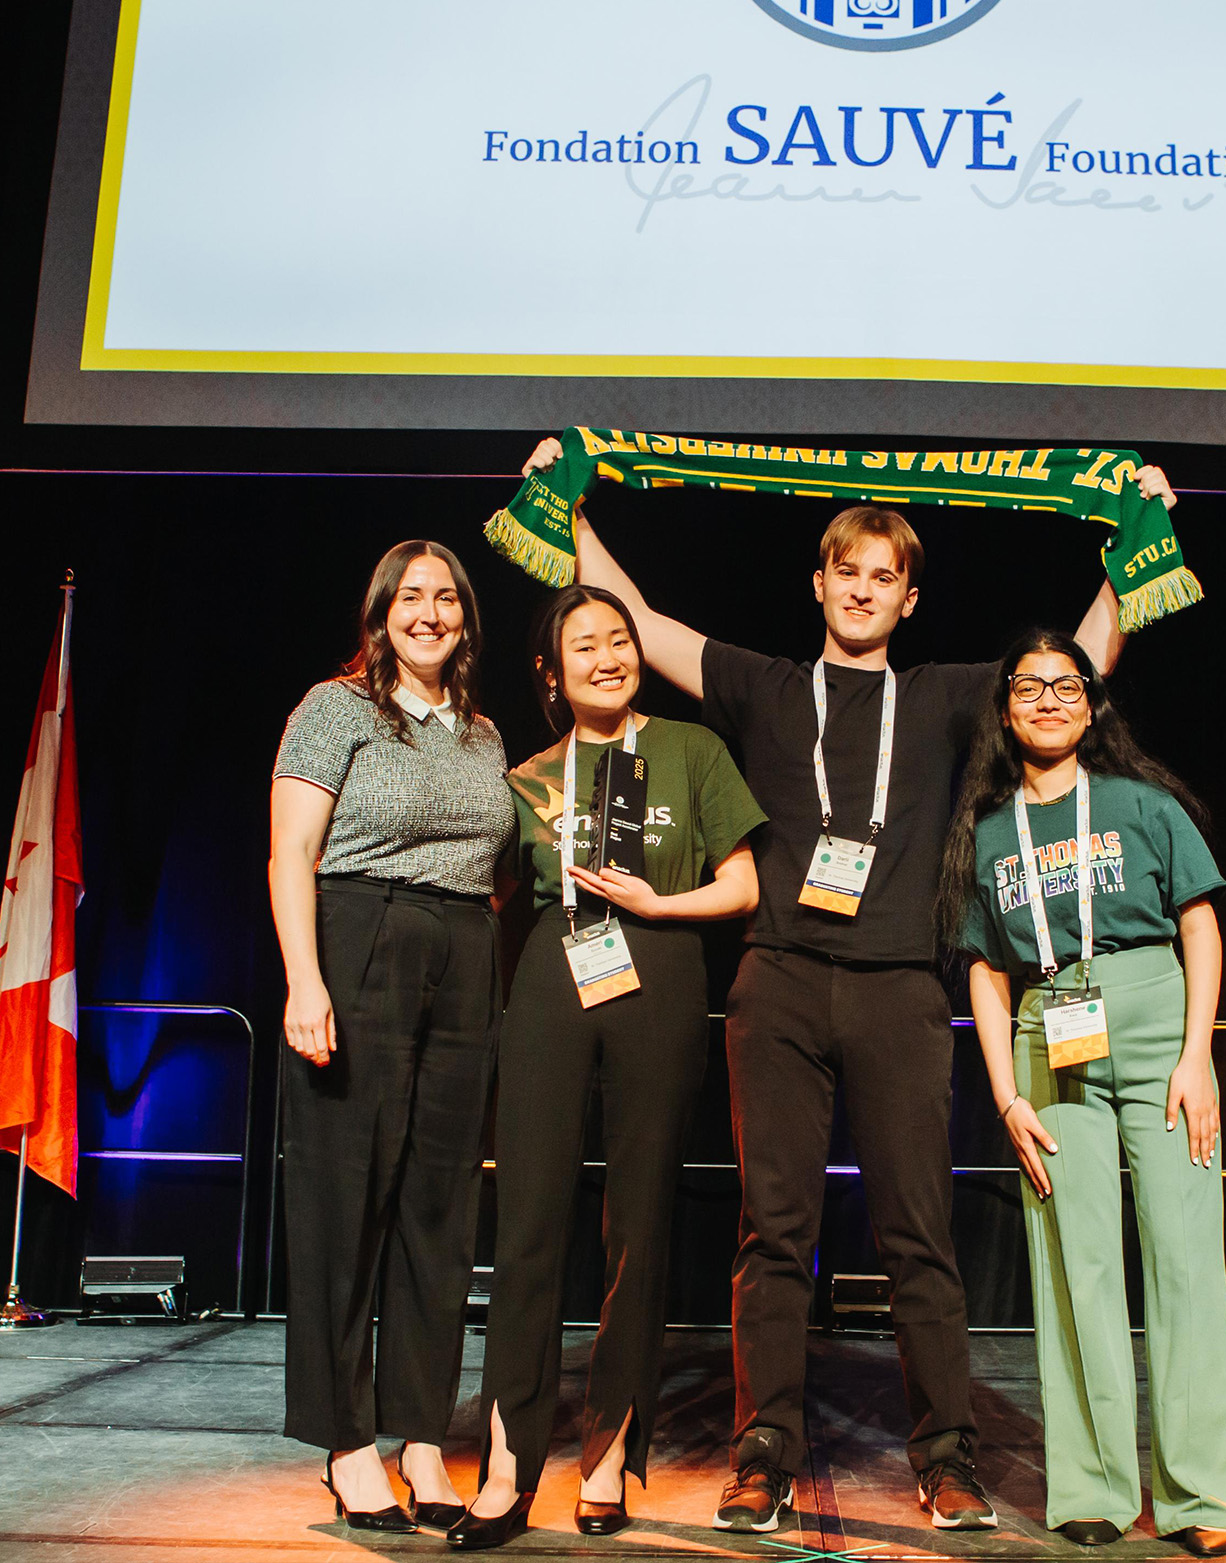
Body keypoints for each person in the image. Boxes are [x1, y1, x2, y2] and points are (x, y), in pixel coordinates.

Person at [519, 435, 1175, 1534]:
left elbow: (1076, 668)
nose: (862, 590)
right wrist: (569, 507)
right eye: (846, 572)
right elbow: (637, 618)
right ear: (817, 582)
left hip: (899, 993)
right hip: (776, 985)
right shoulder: (766, 686)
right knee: (771, 1231)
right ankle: (762, 1448)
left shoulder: (947, 698)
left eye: (885, 578)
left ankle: (946, 1454)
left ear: (908, 599)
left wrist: (1133, 542)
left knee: (917, 1231)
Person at [447, 585, 767, 1551]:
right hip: (554, 968)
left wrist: (659, 906)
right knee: (531, 1216)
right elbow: (490, 891)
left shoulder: (690, 748)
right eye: (582, 644)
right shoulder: (526, 773)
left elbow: (745, 883)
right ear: (551, 672)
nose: (606, 655)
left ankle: (610, 1449)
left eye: (619, 639)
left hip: (659, 965)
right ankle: (507, 1463)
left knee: (638, 1221)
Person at [938, 627, 1226, 1558]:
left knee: (1186, 1256)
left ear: (1091, 703)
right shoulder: (987, 830)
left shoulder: (1141, 804)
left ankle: (1201, 1496)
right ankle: (1094, 1485)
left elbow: (1200, 927)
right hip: (1050, 1034)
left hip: (1156, 1019)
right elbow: (986, 973)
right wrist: (1004, 1091)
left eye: (1065, 685)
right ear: (1003, 707)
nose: (1046, 700)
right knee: (1074, 1265)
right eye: (1028, 686)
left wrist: (1197, 1054)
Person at [269, 540, 517, 1533]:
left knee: (439, 1205)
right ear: (380, 613)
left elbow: (494, 861)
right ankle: (344, 1442)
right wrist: (303, 980)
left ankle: (420, 1432)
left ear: (464, 617)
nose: (428, 612)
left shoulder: (484, 732)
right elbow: (290, 848)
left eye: (445, 597)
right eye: (409, 597)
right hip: (355, 932)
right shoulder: (333, 711)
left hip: (462, 949)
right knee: (344, 1200)